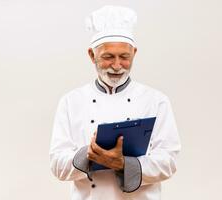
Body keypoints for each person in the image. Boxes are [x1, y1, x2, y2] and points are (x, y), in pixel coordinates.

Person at [49, 5, 181, 200]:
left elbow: (169, 161)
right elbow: (57, 166)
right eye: (108, 57)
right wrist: (90, 155)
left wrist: (123, 164)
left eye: (124, 57)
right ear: (92, 55)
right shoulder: (70, 102)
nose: (117, 66)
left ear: (134, 53)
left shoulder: (156, 101)